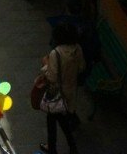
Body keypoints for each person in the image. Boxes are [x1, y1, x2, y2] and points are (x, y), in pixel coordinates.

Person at [38, 22, 85, 154]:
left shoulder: (56, 53)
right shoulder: (78, 49)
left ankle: (54, 148)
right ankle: (68, 147)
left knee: (53, 119)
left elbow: (52, 77)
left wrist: (46, 64)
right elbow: (82, 67)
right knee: (61, 119)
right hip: (71, 91)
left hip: (57, 93)